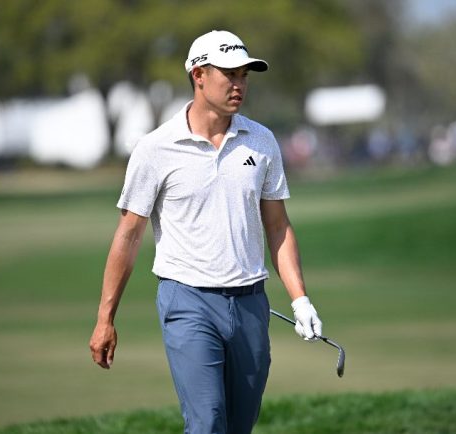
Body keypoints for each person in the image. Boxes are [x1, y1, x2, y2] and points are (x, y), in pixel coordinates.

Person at [89, 30, 324, 434]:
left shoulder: (262, 141)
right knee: (207, 422)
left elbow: (278, 227)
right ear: (198, 75)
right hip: (188, 300)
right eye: (229, 74)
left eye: (245, 75)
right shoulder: (156, 148)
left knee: (238, 425)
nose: (239, 84)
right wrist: (105, 317)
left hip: (251, 303)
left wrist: (300, 299)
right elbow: (128, 236)